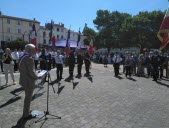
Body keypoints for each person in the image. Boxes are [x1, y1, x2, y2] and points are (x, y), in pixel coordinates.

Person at [19, 44, 41, 120]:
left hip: (25, 80)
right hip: (29, 81)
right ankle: (26, 114)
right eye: (33, 50)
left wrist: (35, 72)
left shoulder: (23, 57)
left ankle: (26, 111)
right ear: (28, 50)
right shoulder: (28, 58)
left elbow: (27, 70)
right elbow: (31, 72)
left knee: (27, 97)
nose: (35, 52)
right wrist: (38, 76)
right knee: (28, 98)